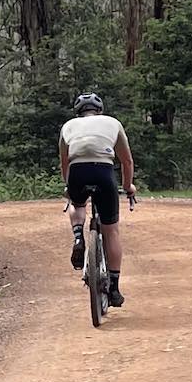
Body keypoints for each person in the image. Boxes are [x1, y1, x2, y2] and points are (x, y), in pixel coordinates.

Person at [58, 90, 137, 307]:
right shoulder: (113, 123)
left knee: (77, 203)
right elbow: (127, 161)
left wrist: (68, 186)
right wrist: (128, 186)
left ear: (78, 112)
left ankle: (77, 236)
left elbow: (65, 162)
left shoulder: (68, 126)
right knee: (111, 230)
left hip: (77, 171)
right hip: (103, 171)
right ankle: (114, 287)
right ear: (100, 110)